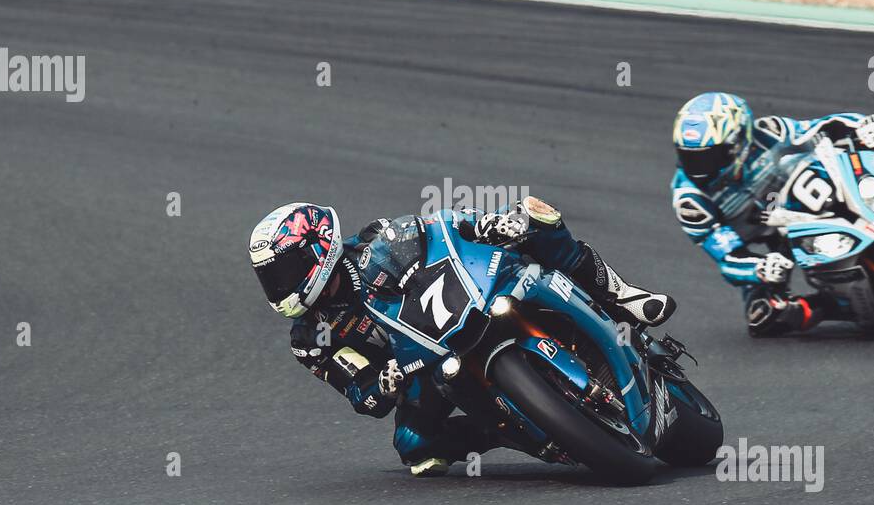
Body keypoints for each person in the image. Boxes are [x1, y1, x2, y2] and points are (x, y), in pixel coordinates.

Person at [249, 197, 674, 476]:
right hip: (421, 366)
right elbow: (361, 395)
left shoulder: (376, 240)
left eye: (282, 272)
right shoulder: (310, 338)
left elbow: (444, 227)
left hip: (475, 299)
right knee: (414, 447)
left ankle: (621, 296)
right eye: (270, 277)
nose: (279, 286)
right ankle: (520, 432)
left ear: (317, 248)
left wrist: (489, 225)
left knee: (533, 217)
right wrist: (381, 383)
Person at [669, 92, 874, 336]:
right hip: (775, 236)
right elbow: (726, 257)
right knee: (765, 318)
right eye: (689, 157)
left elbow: (825, 126)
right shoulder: (690, 200)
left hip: (814, 186)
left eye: (709, 156)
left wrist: (863, 126)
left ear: (740, 141)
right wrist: (759, 269)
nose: (700, 168)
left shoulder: (769, 133)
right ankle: (835, 304)